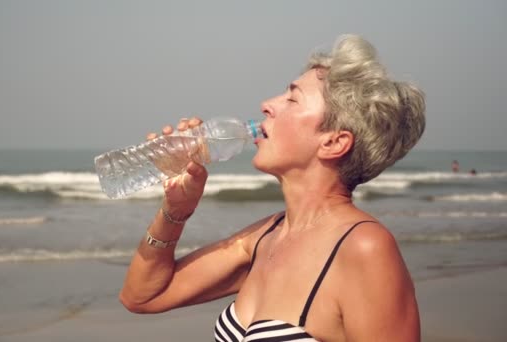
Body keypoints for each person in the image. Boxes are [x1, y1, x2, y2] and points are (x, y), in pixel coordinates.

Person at [119, 34, 426, 341]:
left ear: (333, 142)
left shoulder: (365, 248)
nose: (267, 105)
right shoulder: (266, 236)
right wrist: (176, 210)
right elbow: (141, 296)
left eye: (292, 99)